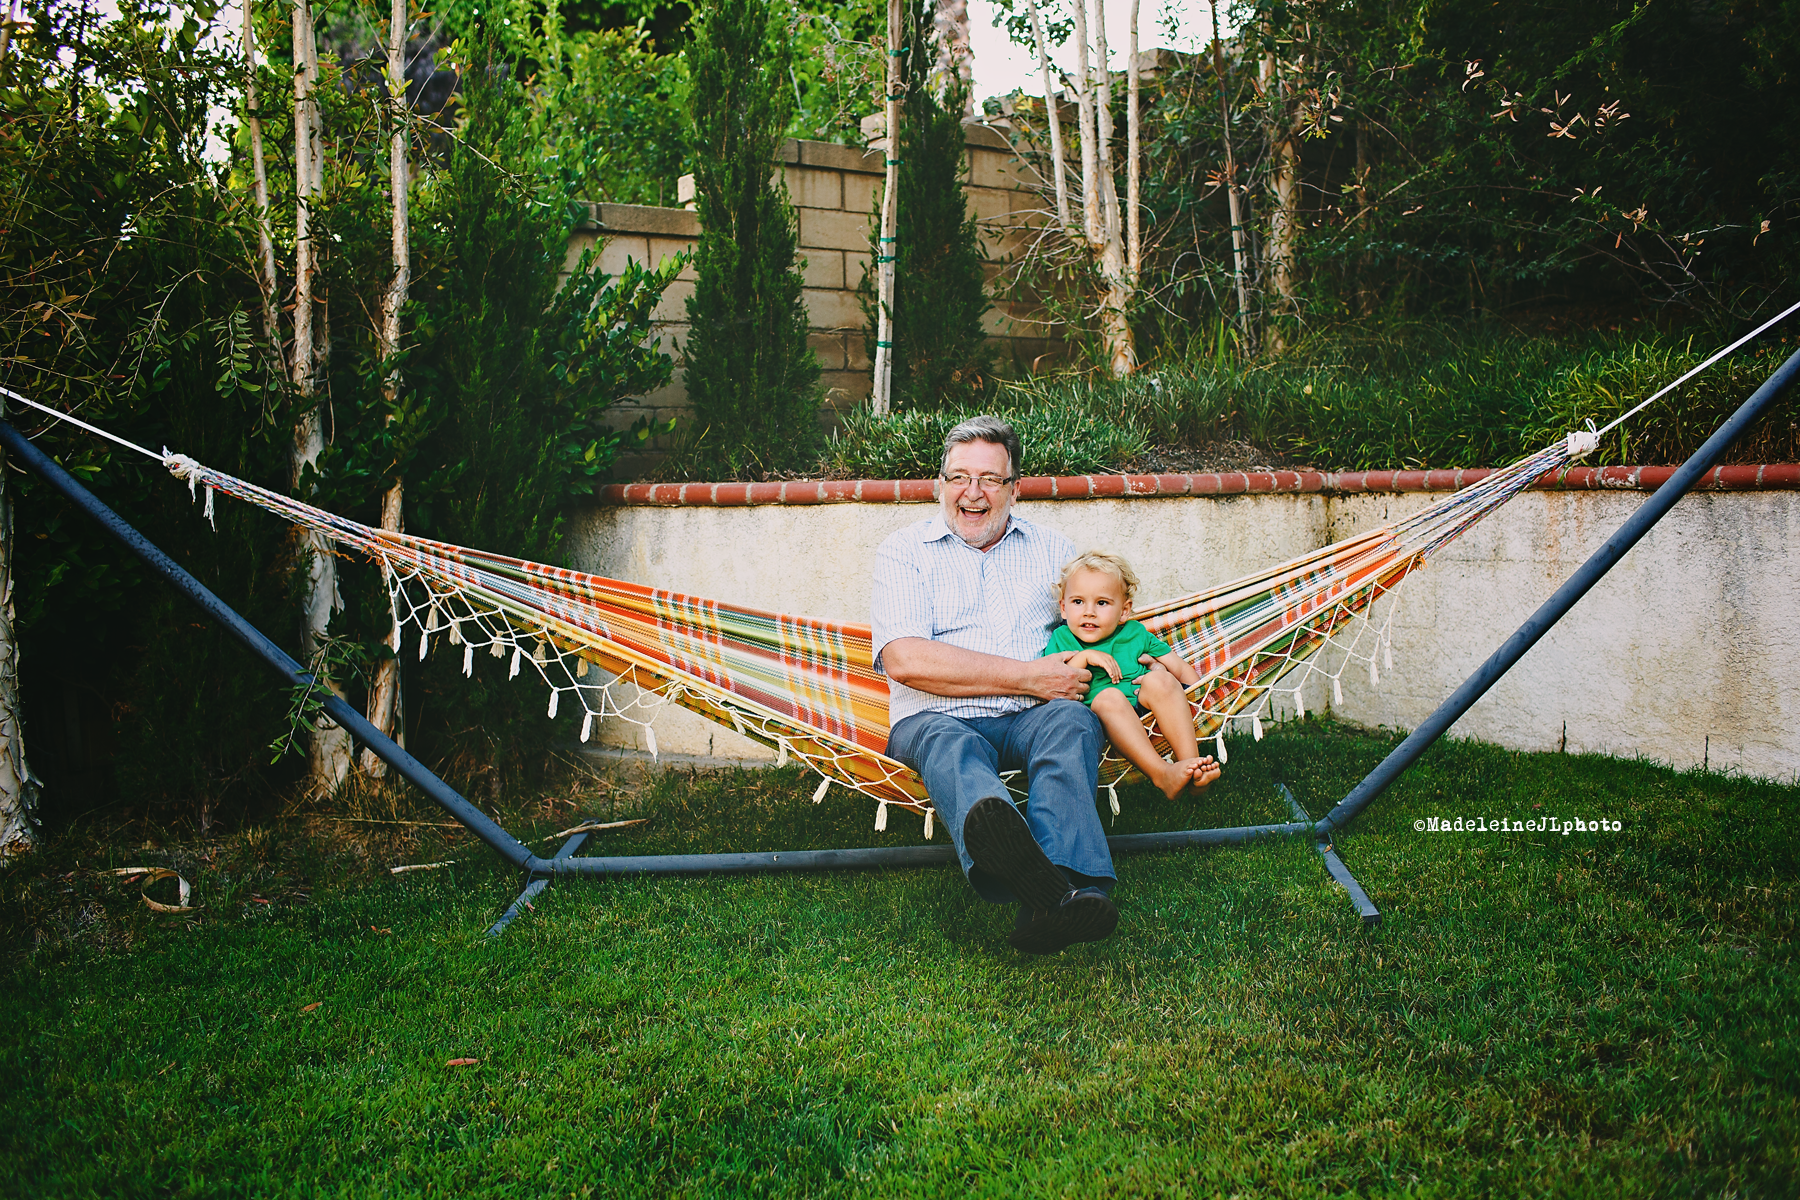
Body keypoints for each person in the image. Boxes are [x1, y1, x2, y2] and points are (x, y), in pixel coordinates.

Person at [871, 416, 1119, 955]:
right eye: (958, 477)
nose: (973, 493)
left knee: (1074, 721)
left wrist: (1144, 663)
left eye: (990, 479)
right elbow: (905, 660)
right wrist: (1030, 676)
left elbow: (1091, 627)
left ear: (1015, 488)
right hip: (936, 715)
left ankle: (1047, 893)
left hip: (1036, 713)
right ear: (939, 484)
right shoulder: (905, 551)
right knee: (951, 746)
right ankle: (1074, 890)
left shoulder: (1054, 549)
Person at [1043, 551, 1222, 801]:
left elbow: (1183, 672)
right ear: (1063, 607)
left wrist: (1190, 691)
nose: (1089, 612)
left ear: (1124, 611)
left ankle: (1193, 767)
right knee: (1108, 698)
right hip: (1099, 724)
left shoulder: (1136, 634)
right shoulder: (1062, 639)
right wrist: (1085, 657)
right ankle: (1162, 774)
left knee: (1160, 679)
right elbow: (1053, 681)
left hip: (1145, 712)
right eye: (1078, 602)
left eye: (1102, 603)